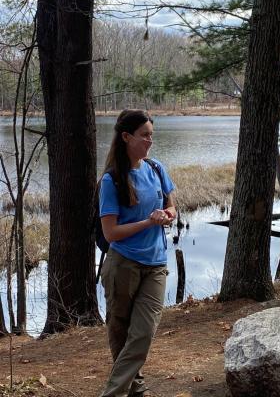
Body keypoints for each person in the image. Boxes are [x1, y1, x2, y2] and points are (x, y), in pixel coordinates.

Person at [99, 109, 176, 397]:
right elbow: (110, 233)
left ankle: (112, 393)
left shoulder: (156, 169)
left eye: (151, 136)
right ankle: (136, 388)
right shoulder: (112, 180)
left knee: (143, 333)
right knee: (120, 333)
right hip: (123, 265)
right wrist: (148, 222)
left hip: (156, 264)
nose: (150, 141)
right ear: (126, 137)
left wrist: (167, 215)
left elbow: (172, 206)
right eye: (144, 136)